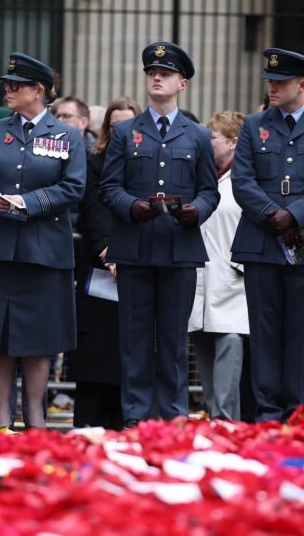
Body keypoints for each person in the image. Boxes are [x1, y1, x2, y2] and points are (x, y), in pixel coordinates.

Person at [0, 52, 86, 431]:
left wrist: (29, 202)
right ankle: (1, 415)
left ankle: (35, 415)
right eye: (7, 84)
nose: (8, 89)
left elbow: (74, 186)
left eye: (16, 85)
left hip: (43, 249)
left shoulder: (66, 135)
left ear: (39, 91)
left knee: (39, 335)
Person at [100, 41, 219, 428]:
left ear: (182, 83)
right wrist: (131, 206)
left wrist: (197, 210)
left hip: (179, 247)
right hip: (135, 246)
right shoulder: (125, 131)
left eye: (165, 74)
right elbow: (109, 187)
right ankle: (135, 418)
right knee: (133, 340)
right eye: (152, 72)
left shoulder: (197, 134)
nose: (156, 78)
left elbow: (209, 190)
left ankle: (173, 417)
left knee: (173, 340)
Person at [231, 48, 304, 422]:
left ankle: (298, 410)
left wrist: (294, 213)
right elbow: (242, 180)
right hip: (262, 238)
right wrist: (272, 214)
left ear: (302, 85)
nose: (273, 88)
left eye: (281, 82)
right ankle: (267, 410)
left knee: (302, 329)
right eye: (270, 81)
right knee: (263, 328)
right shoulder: (253, 125)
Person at [69, 96, 141, 429]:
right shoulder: (94, 161)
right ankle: (88, 423)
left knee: (130, 348)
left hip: (137, 261)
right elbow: (93, 207)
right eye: (116, 126)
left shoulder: (147, 163)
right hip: (100, 263)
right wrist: (108, 248)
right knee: (95, 349)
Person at [188, 110, 248, 420]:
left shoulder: (245, 181)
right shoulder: (206, 177)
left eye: (212, 137)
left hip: (233, 281)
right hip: (202, 278)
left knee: (229, 344)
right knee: (203, 347)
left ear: (233, 142)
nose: (206, 142)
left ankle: (226, 421)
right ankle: (214, 416)